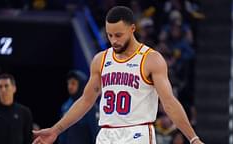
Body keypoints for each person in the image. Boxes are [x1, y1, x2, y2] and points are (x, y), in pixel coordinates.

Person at [32, 6, 204, 144]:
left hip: (137, 132)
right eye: (110, 35)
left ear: (132, 29)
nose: (114, 40)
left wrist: (193, 138)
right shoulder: (101, 59)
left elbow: (169, 103)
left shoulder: (151, 59)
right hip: (106, 133)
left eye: (119, 35)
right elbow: (86, 100)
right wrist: (56, 129)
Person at [0, 73, 33, 144]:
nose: (3, 89)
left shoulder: (24, 112)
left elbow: (28, 139)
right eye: (0, 86)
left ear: (14, 88)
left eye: (6, 86)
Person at [59, 70, 98, 144]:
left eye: (73, 83)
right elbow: (62, 133)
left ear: (81, 85)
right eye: (68, 83)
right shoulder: (65, 106)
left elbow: (95, 131)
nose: (69, 86)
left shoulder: (90, 107)